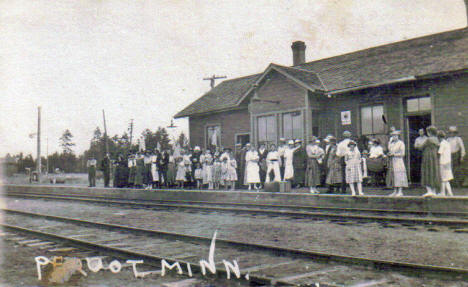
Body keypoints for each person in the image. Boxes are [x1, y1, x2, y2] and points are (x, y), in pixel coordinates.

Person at [421, 126, 441, 197]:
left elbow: (421, 147)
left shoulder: (428, 139)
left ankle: (429, 191)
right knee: (433, 172)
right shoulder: (437, 139)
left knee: (427, 171)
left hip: (428, 157)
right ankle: (434, 191)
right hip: (434, 157)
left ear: (429, 132)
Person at [386, 131, 408, 197]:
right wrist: (389, 142)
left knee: (399, 175)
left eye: (396, 135)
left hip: (398, 161)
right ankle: (395, 191)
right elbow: (389, 149)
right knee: (393, 175)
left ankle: (400, 191)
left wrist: (394, 154)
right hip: (392, 161)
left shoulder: (401, 143)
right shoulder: (391, 143)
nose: (394, 137)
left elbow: (402, 154)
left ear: (398, 136)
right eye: (393, 136)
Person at [438, 130, 454, 196]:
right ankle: (449, 193)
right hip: (448, 162)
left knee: (443, 178)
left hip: (443, 162)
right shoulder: (447, 143)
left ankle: (443, 192)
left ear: (439, 137)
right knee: (446, 178)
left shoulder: (442, 144)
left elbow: (439, 152)